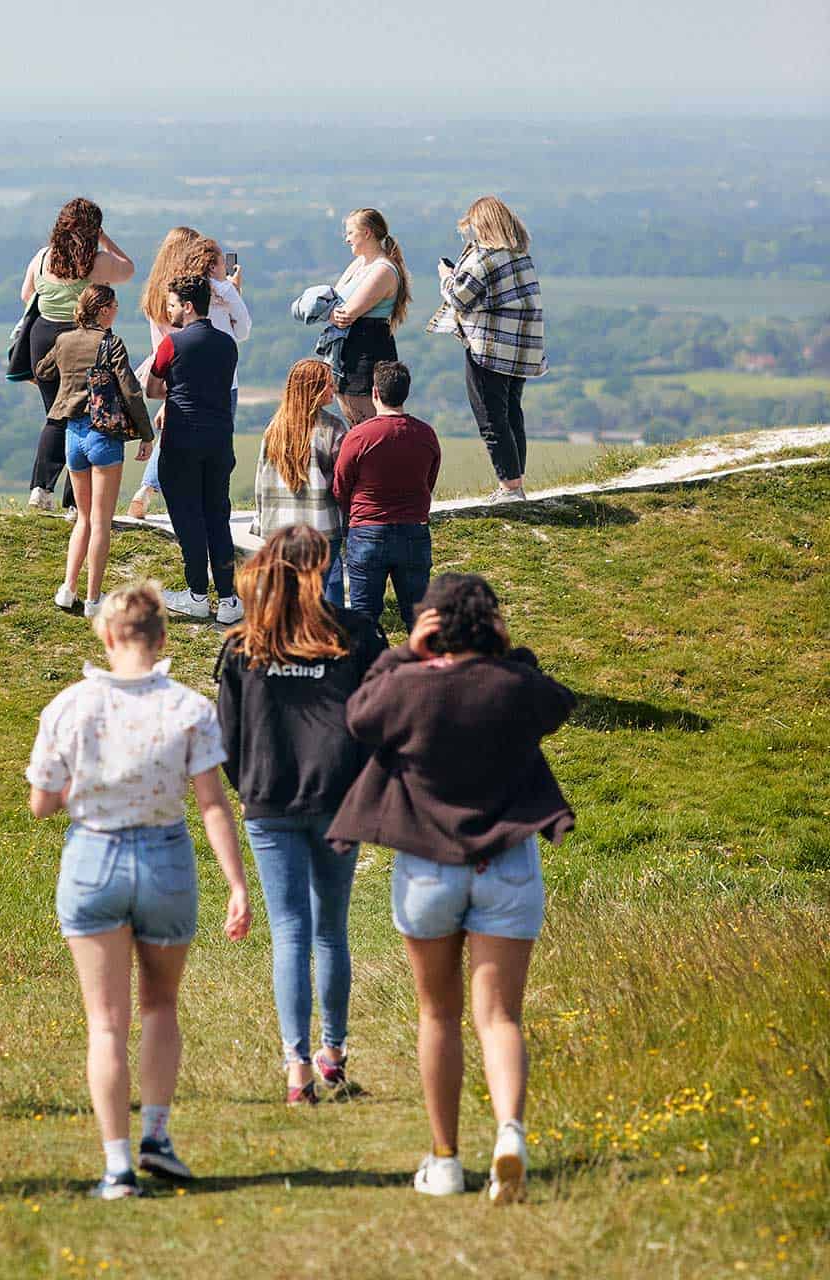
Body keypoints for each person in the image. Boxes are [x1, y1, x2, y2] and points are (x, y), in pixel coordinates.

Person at [327, 574, 576, 1203]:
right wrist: (509, 650)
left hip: (427, 869)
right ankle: (510, 1134)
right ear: (491, 626)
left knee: (438, 1014)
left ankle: (443, 1161)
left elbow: (359, 715)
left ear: (430, 624)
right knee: (500, 1018)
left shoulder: (407, 688)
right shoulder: (512, 687)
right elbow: (555, 701)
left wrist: (405, 652)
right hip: (508, 865)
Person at [26, 582, 252, 1199]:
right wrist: (235, 881)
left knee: (106, 1023)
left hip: (94, 856)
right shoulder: (188, 709)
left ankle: (117, 1164)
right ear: (161, 638)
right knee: (159, 1006)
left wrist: (93, 788)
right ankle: (157, 1134)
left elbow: (42, 802)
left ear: (105, 635)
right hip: (165, 858)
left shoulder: (70, 707)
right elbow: (212, 805)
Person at [216, 527, 386, 1104]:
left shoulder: (243, 645)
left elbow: (228, 737)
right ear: (325, 566)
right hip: (338, 800)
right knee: (330, 930)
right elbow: (379, 718)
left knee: (289, 932)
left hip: (268, 800)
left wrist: (250, 790)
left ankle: (297, 1071)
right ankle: (333, 1054)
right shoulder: (356, 635)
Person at [34, 285, 154, 617]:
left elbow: (42, 371)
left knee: (83, 520)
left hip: (73, 434)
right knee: (101, 522)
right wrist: (146, 434)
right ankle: (93, 599)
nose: (117, 310)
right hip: (104, 436)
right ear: (102, 310)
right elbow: (130, 390)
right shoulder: (111, 343)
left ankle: (67, 588)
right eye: (114, 305)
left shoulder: (64, 341)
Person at [426, 196, 547, 503]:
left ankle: (509, 488)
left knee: (491, 418)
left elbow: (460, 297)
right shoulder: (520, 255)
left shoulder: (485, 259)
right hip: (520, 349)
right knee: (512, 415)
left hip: (489, 348)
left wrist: (446, 277)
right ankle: (515, 484)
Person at [21, 198, 135, 515]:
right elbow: (128, 268)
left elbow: (26, 296)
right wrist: (104, 238)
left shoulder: (42, 258)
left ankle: (40, 489)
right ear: (92, 230)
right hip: (81, 341)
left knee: (55, 415)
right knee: (84, 417)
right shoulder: (97, 263)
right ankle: (74, 503)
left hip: (42, 339)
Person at [129, 235, 251, 520]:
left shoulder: (168, 297)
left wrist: (169, 394)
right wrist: (232, 290)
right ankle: (202, 501)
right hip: (220, 380)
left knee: (175, 438)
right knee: (216, 444)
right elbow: (241, 330)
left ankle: (150, 489)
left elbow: (166, 347)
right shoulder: (211, 296)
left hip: (178, 375)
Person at [144, 275, 242, 624]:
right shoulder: (227, 344)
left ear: (187, 306)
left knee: (188, 518)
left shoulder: (173, 345)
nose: (168, 310)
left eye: (171, 304)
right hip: (219, 439)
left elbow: (152, 388)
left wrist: (173, 389)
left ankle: (197, 593)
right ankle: (229, 597)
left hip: (182, 438)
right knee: (218, 515)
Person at [332, 361, 441, 632]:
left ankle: (365, 671)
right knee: (419, 619)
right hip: (414, 531)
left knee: (362, 618)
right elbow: (429, 481)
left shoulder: (359, 436)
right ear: (406, 392)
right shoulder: (426, 434)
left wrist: (353, 512)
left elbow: (340, 487)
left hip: (368, 530)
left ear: (375, 393)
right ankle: (424, 670)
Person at [252, 358, 349, 604]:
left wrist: (261, 521)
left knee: (287, 597)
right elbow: (343, 482)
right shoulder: (334, 429)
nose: (334, 389)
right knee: (319, 594)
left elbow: (261, 481)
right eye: (327, 384)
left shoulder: (274, 428)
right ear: (313, 389)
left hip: (280, 530)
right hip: (322, 527)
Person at [329, 208, 412, 426]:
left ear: (366, 233)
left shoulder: (383, 269)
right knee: (353, 423)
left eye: (350, 233)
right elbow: (333, 302)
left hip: (367, 353)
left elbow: (346, 314)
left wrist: (325, 313)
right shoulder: (359, 264)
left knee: (368, 424)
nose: (346, 239)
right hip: (346, 353)